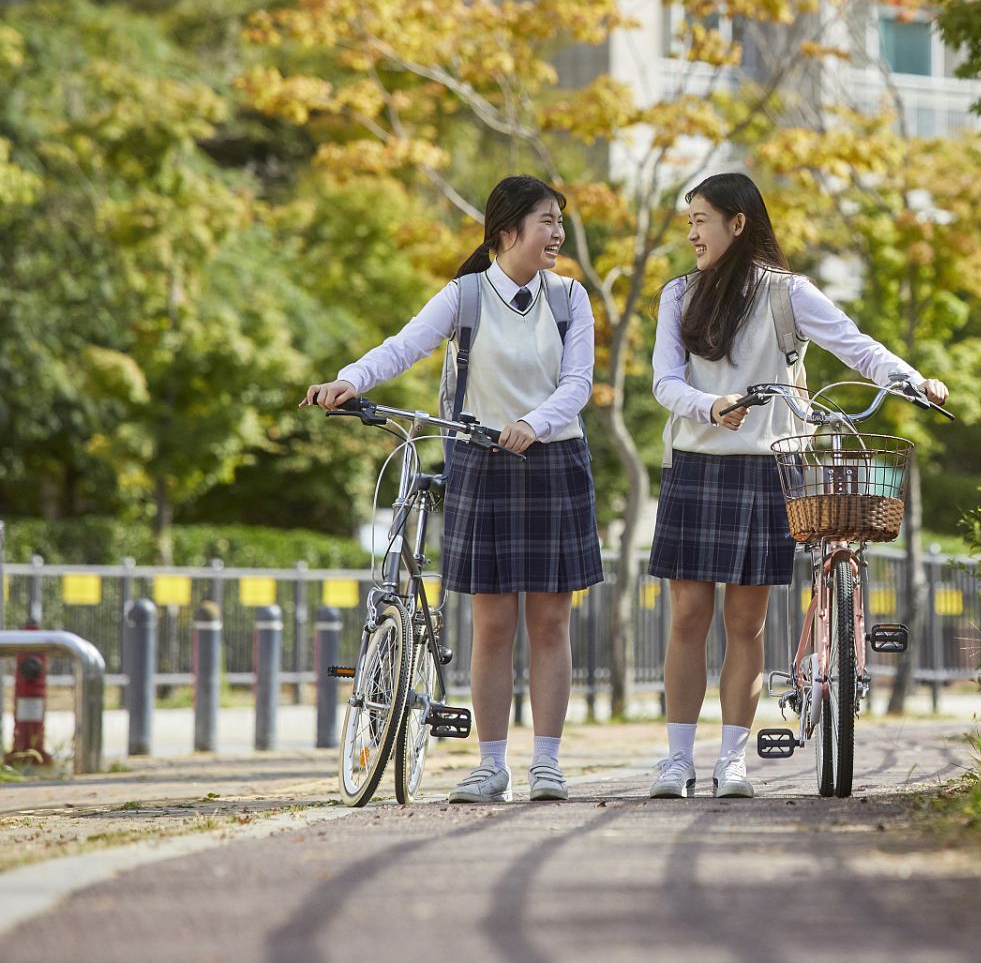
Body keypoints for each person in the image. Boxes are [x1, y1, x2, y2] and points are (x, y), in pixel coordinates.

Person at [648, 172, 948, 799]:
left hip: (767, 465)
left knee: (746, 623)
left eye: (701, 218)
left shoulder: (788, 294)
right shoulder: (678, 294)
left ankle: (732, 762)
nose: (691, 231)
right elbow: (664, 384)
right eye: (690, 219)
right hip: (696, 462)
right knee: (687, 617)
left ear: (738, 223)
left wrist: (914, 379)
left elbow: (855, 345)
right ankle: (676, 761)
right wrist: (710, 406)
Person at [303, 175, 599, 804]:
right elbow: (403, 346)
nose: (558, 233)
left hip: (554, 461)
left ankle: (547, 763)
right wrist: (347, 381)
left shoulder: (572, 299)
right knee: (490, 625)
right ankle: (492, 766)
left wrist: (532, 424)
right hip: (479, 462)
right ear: (508, 231)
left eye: (559, 221)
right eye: (547, 221)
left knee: (549, 623)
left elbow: (577, 385)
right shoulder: (464, 297)